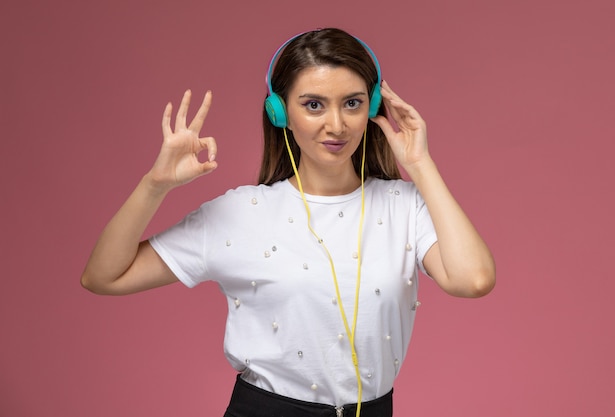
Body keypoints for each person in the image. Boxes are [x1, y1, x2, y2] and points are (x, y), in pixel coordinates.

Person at [81, 28, 495, 417]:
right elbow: (104, 276)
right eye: (314, 104)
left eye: (351, 103)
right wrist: (155, 185)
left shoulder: (404, 206)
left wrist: (421, 165)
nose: (336, 125)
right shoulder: (239, 213)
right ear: (280, 112)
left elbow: (473, 280)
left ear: (370, 108)